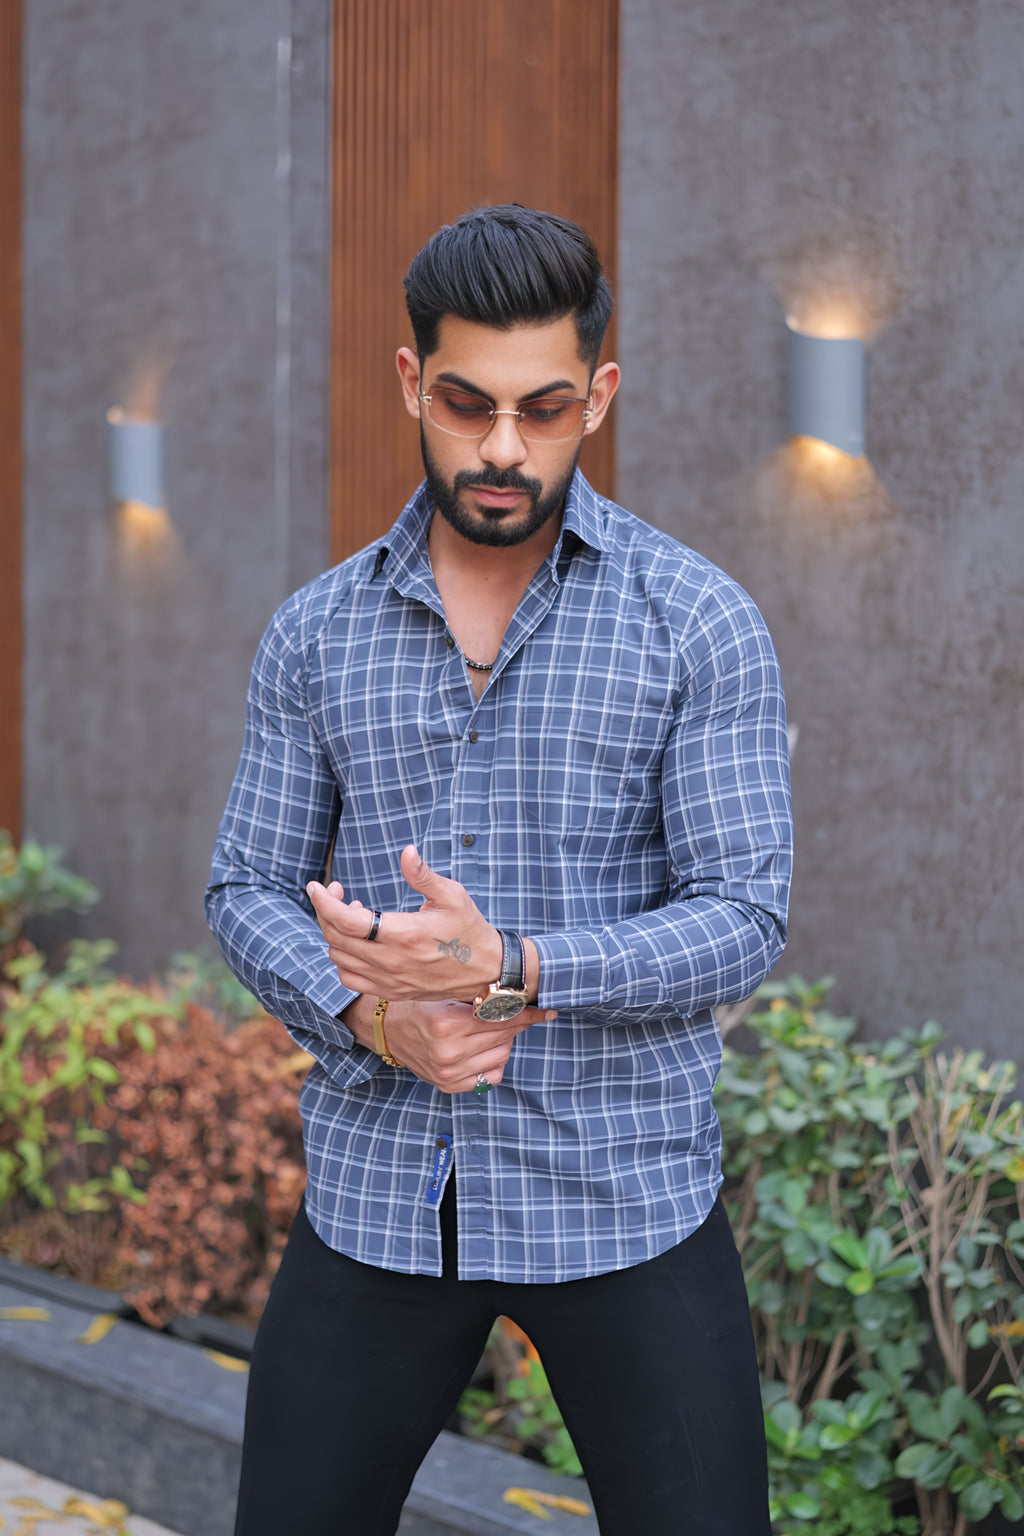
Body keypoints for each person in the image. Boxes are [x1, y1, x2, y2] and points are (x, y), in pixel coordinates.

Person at [206, 203, 792, 1536]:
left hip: (625, 1192)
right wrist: (373, 1015)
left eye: (545, 407)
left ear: (601, 394)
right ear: (413, 381)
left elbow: (745, 915)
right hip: (378, 1192)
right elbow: (243, 885)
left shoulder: (697, 619)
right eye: (468, 404)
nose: (505, 447)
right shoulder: (314, 633)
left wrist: (516, 968)